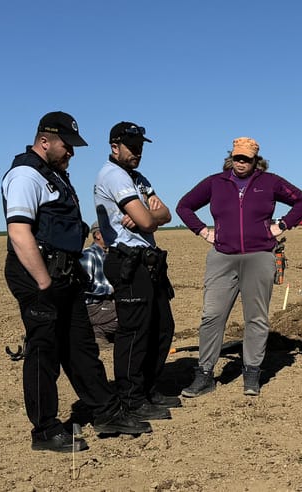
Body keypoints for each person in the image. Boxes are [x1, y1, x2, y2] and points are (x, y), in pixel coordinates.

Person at [1, 111, 151, 453]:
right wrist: (43, 283)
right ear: (45, 141)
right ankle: (45, 430)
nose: (72, 152)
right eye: (67, 145)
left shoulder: (53, 175)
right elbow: (20, 232)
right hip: (39, 275)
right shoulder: (26, 174)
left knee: (81, 346)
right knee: (44, 352)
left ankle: (106, 412)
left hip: (64, 274)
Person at [176, 137, 302, 397]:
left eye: (246, 159)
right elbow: (184, 206)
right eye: (237, 157)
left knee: (256, 318)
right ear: (231, 157)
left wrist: (281, 226)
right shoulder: (215, 182)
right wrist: (203, 232)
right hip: (222, 257)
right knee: (212, 316)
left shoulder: (270, 182)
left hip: (259, 256)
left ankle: (252, 373)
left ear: (255, 160)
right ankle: (204, 374)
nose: (241, 163)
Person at [94, 121, 177, 421]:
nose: (137, 152)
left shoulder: (138, 178)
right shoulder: (114, 176)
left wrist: (150, 215)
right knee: (135, 331)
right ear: (115, 146)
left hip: (149, 260)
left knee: (162, 326)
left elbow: (166, 213)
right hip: (127, 259)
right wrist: (148, 215)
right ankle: (131, 397)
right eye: (132, 146)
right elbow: (146, 221)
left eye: (141, 146)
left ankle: (150, 389)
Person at [80, 221, 118, 342]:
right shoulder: (88, 255)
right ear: (98, 235)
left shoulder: (108, 255)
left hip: (105, 304)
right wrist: (110, 289)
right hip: (93, 306)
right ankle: (97, 332)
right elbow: (85, 285)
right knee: (128, 311)